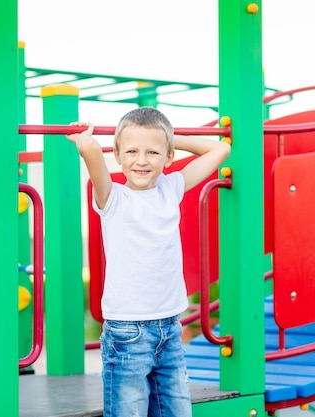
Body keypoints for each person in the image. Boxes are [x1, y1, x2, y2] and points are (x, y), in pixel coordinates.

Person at [66, 107, 231, 417]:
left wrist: (170, 139)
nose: (141, 160)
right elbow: (91, 155)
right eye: (131, 151)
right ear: (117, 155)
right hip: (127, 333)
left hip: (170, 329)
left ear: (167, 157)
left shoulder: (171, 188)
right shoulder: (112, 198)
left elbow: (220, 148)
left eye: (152, 152)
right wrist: (86, 141)